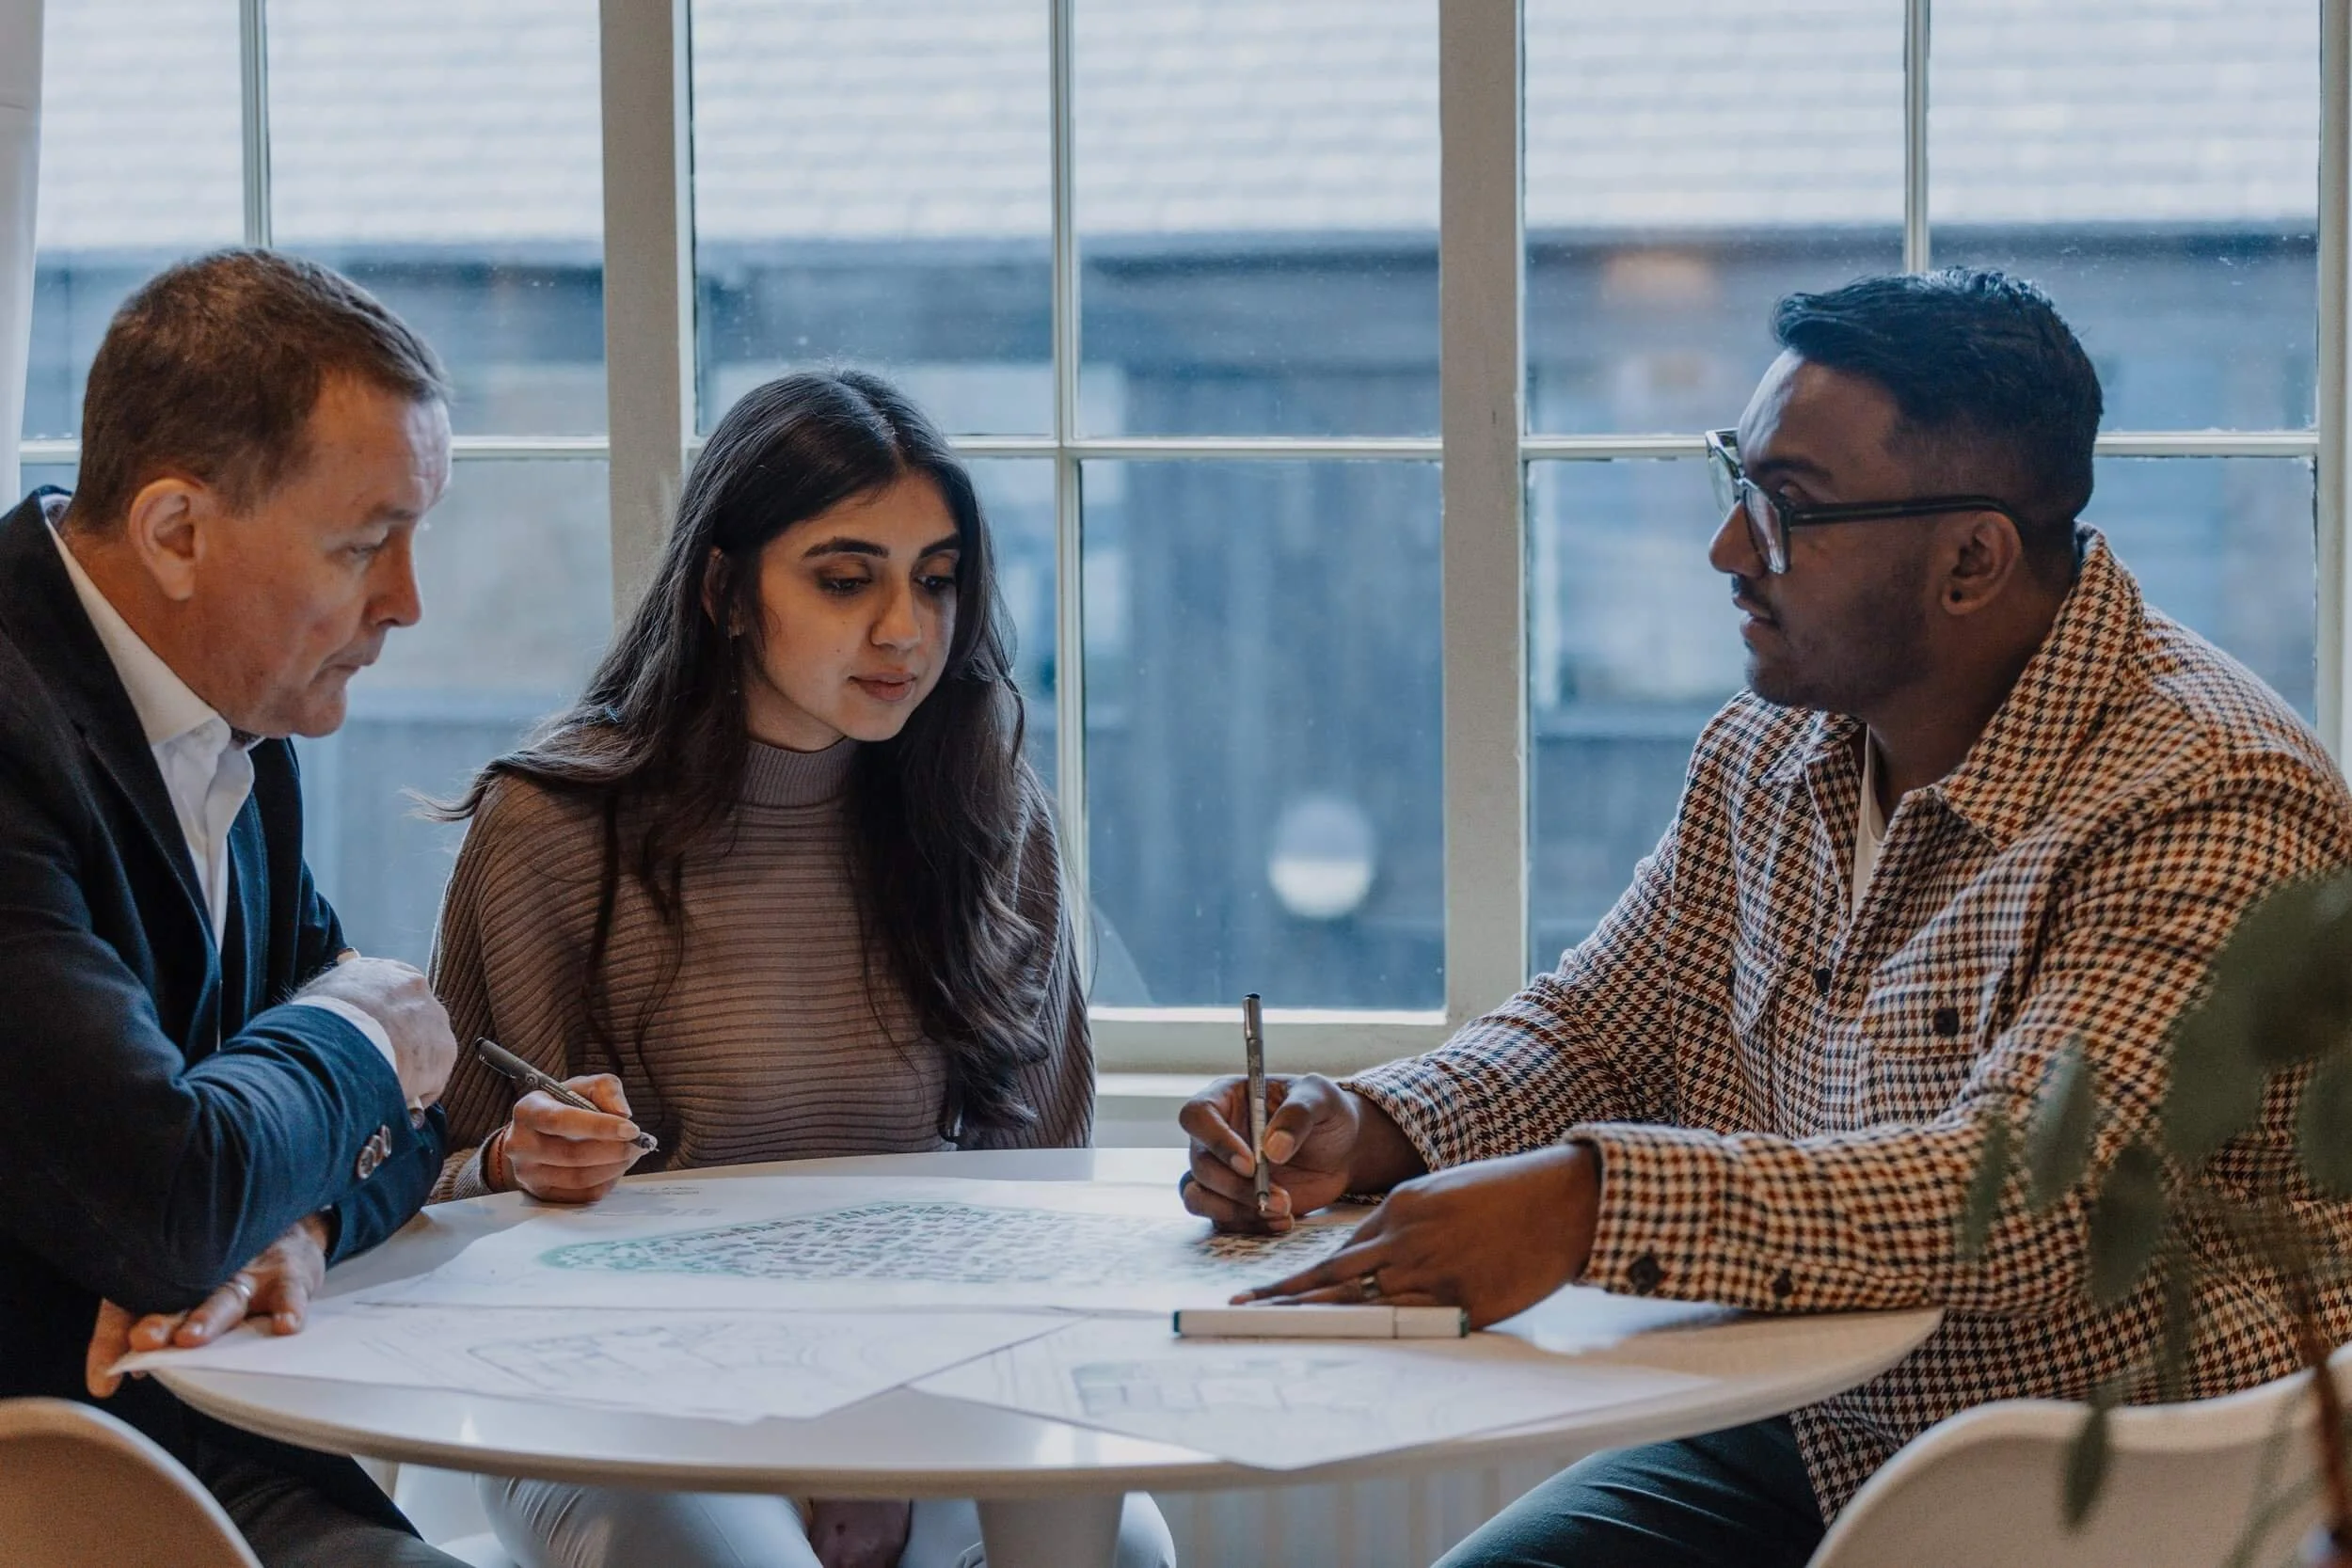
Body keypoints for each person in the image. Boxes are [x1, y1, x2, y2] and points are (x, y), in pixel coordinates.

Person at [1180, 268, 2352, 1568]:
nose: (1728, 549)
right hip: (1822, 1417)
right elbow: (1599, 1026)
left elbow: (2030, 1191)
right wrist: (1372, 1123)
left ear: (1973, 558)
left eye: (1788, 509)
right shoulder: (1770, 743)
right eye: (1736, 484)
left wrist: (1588, 1204)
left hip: (2108, 1478)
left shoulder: (2212, 794)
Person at [427, 369, 1176, 1568]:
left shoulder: (986, 814)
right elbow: (435, 1194)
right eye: (844, 580)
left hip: (920, 1372)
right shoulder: (551, 826)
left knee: (1121, 1548)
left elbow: (1040, 1196)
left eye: (936, 580)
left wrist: (890, 1431)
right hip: (611, 1390)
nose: (905, 629)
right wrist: (518, 1160)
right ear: (722, 588)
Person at [0, 249, 469, 1565]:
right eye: (366, 543)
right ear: (176, 533)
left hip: (201, 1429)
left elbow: (409, 1115)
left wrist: (302, 1223)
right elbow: (174, 1191)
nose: (408, 602)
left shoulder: (239, 719)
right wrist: (364, 1021)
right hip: (48, 1465)